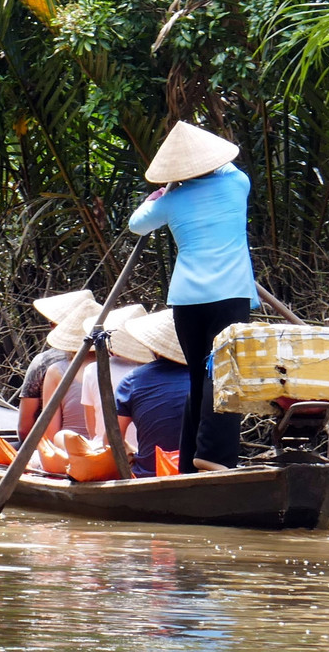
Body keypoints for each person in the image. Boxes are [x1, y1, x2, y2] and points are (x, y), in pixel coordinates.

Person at [127, 121, 257, 473]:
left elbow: (136, 224)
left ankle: (188, 461)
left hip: (186, 300)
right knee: (225, 375)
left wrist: (164, 191)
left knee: (200, 376)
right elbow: (227, 165)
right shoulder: (236, 184)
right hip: (229, 295)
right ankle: (214, 457)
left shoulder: (172, 200)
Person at [113, 311, 192, 476]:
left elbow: (112, 439)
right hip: (201, 471)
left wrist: (131, 453)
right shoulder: (208, 378)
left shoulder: (133, 380)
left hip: (150, 474)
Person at [18, 288, 92, 442]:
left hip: (62, 448)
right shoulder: (117, 360)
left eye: (52, 323)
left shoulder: (46, 363)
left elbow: (24, 429)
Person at [79, 303, 147, 450]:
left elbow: (93, 429)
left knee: (63, 437)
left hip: (107, 451)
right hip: (144, 450)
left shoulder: (92, 370)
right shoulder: (152, 371)